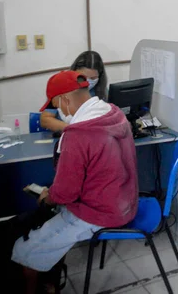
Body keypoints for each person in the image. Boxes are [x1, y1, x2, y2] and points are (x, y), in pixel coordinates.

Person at [12, 71, 138, 294]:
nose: (59, 112)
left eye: (57, 106)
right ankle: (50, 280)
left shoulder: (77, 135)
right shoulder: (114, 114)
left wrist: (48, 196)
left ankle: (41, 284)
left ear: (65, 100)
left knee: (23, 253)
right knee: (48, 226)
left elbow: (65, 193)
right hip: (125, 202)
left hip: (99, 212)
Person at [41, 51, 107, 132]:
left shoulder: (101, 91)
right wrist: (74, 129)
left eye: (93, 78)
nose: (88, 81)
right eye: (84, 77)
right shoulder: (62, 87)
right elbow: (45, 119)